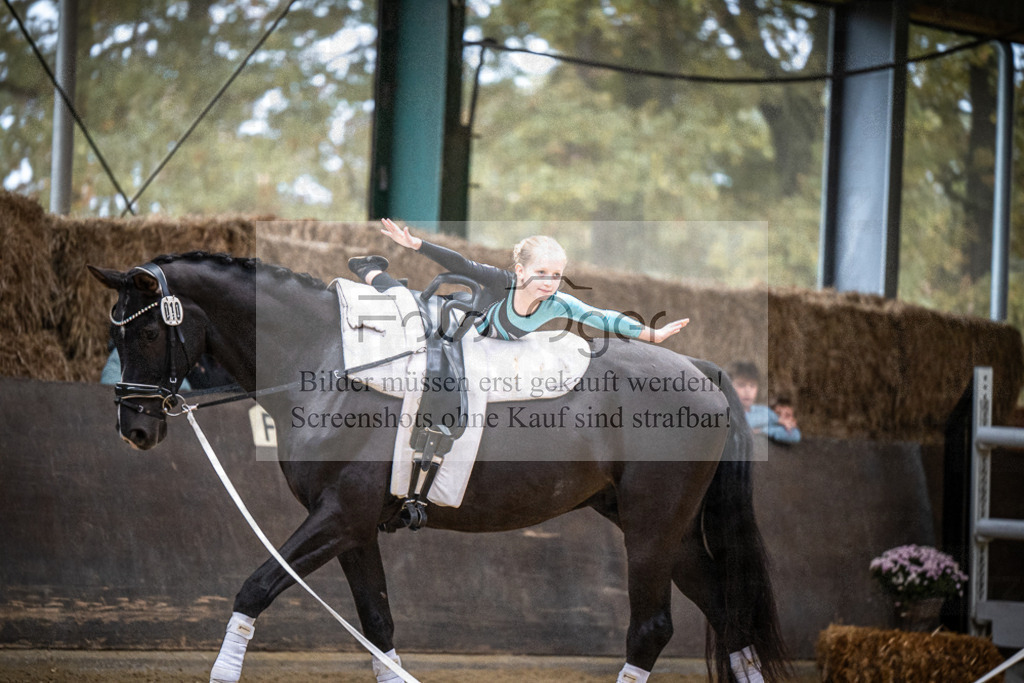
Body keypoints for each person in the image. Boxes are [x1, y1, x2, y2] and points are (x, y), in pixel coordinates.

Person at [348, 218, 689, 344]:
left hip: (496, 339)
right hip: (461, 321)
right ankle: (370, 269)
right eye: (541, 274)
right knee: (403, 302)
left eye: (556, 276)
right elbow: (460, 263)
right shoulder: (502, 281)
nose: (550, 282)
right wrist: (417, 244)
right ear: (521, 271)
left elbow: (603, 317)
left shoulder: (558, 303)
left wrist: (652, 333)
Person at [727, 360, 801, 444]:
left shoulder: (763, 411)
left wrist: (763, 431)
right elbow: (743, 424)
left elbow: (795, 435)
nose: (747, 391)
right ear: (729, 387)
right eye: (741, 385)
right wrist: (775, 420)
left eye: (752, 386)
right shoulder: (727, 413)